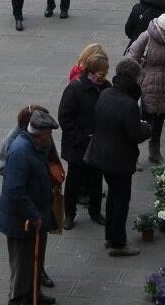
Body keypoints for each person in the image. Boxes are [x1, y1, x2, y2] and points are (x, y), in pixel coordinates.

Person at [85, 58, 150, 256]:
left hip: (102, 155)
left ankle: (110, 236)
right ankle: (118, 243)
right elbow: (134, 134)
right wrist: (146, 128)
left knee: (113, 196)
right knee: (121, 200)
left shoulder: (106, 93)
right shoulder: (129, 104)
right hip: (120, 160)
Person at [0, 110, 60, 305]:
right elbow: (15, 190)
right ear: (39, 133)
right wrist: (34, 215)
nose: (50, 138)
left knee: (34, 261)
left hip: (35, 216)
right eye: (49, 134)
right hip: (22, 220)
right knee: (22, 265)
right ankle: (18, 300)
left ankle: (34, 295)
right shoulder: (21, 151)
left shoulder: (37, 146)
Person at [58, 55, 108, 230]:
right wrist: (81, 135)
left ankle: (95, 211)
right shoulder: (75, 89)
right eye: (99, 74)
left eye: (104, 74)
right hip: (78, 145)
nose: (101, 78)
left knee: (96, 179)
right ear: (90, 72)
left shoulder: (106, 87)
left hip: (97, 143)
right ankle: (69, 214)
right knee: (74, 180)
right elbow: (65, 118)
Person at [125, 12, 165, 164]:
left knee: (159, 120)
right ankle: (133, 154)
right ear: (162, 29)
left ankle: (154, 152)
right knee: (143, 120)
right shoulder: (146, 37)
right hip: (147, 85)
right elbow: (131, 60)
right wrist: (141, 80)